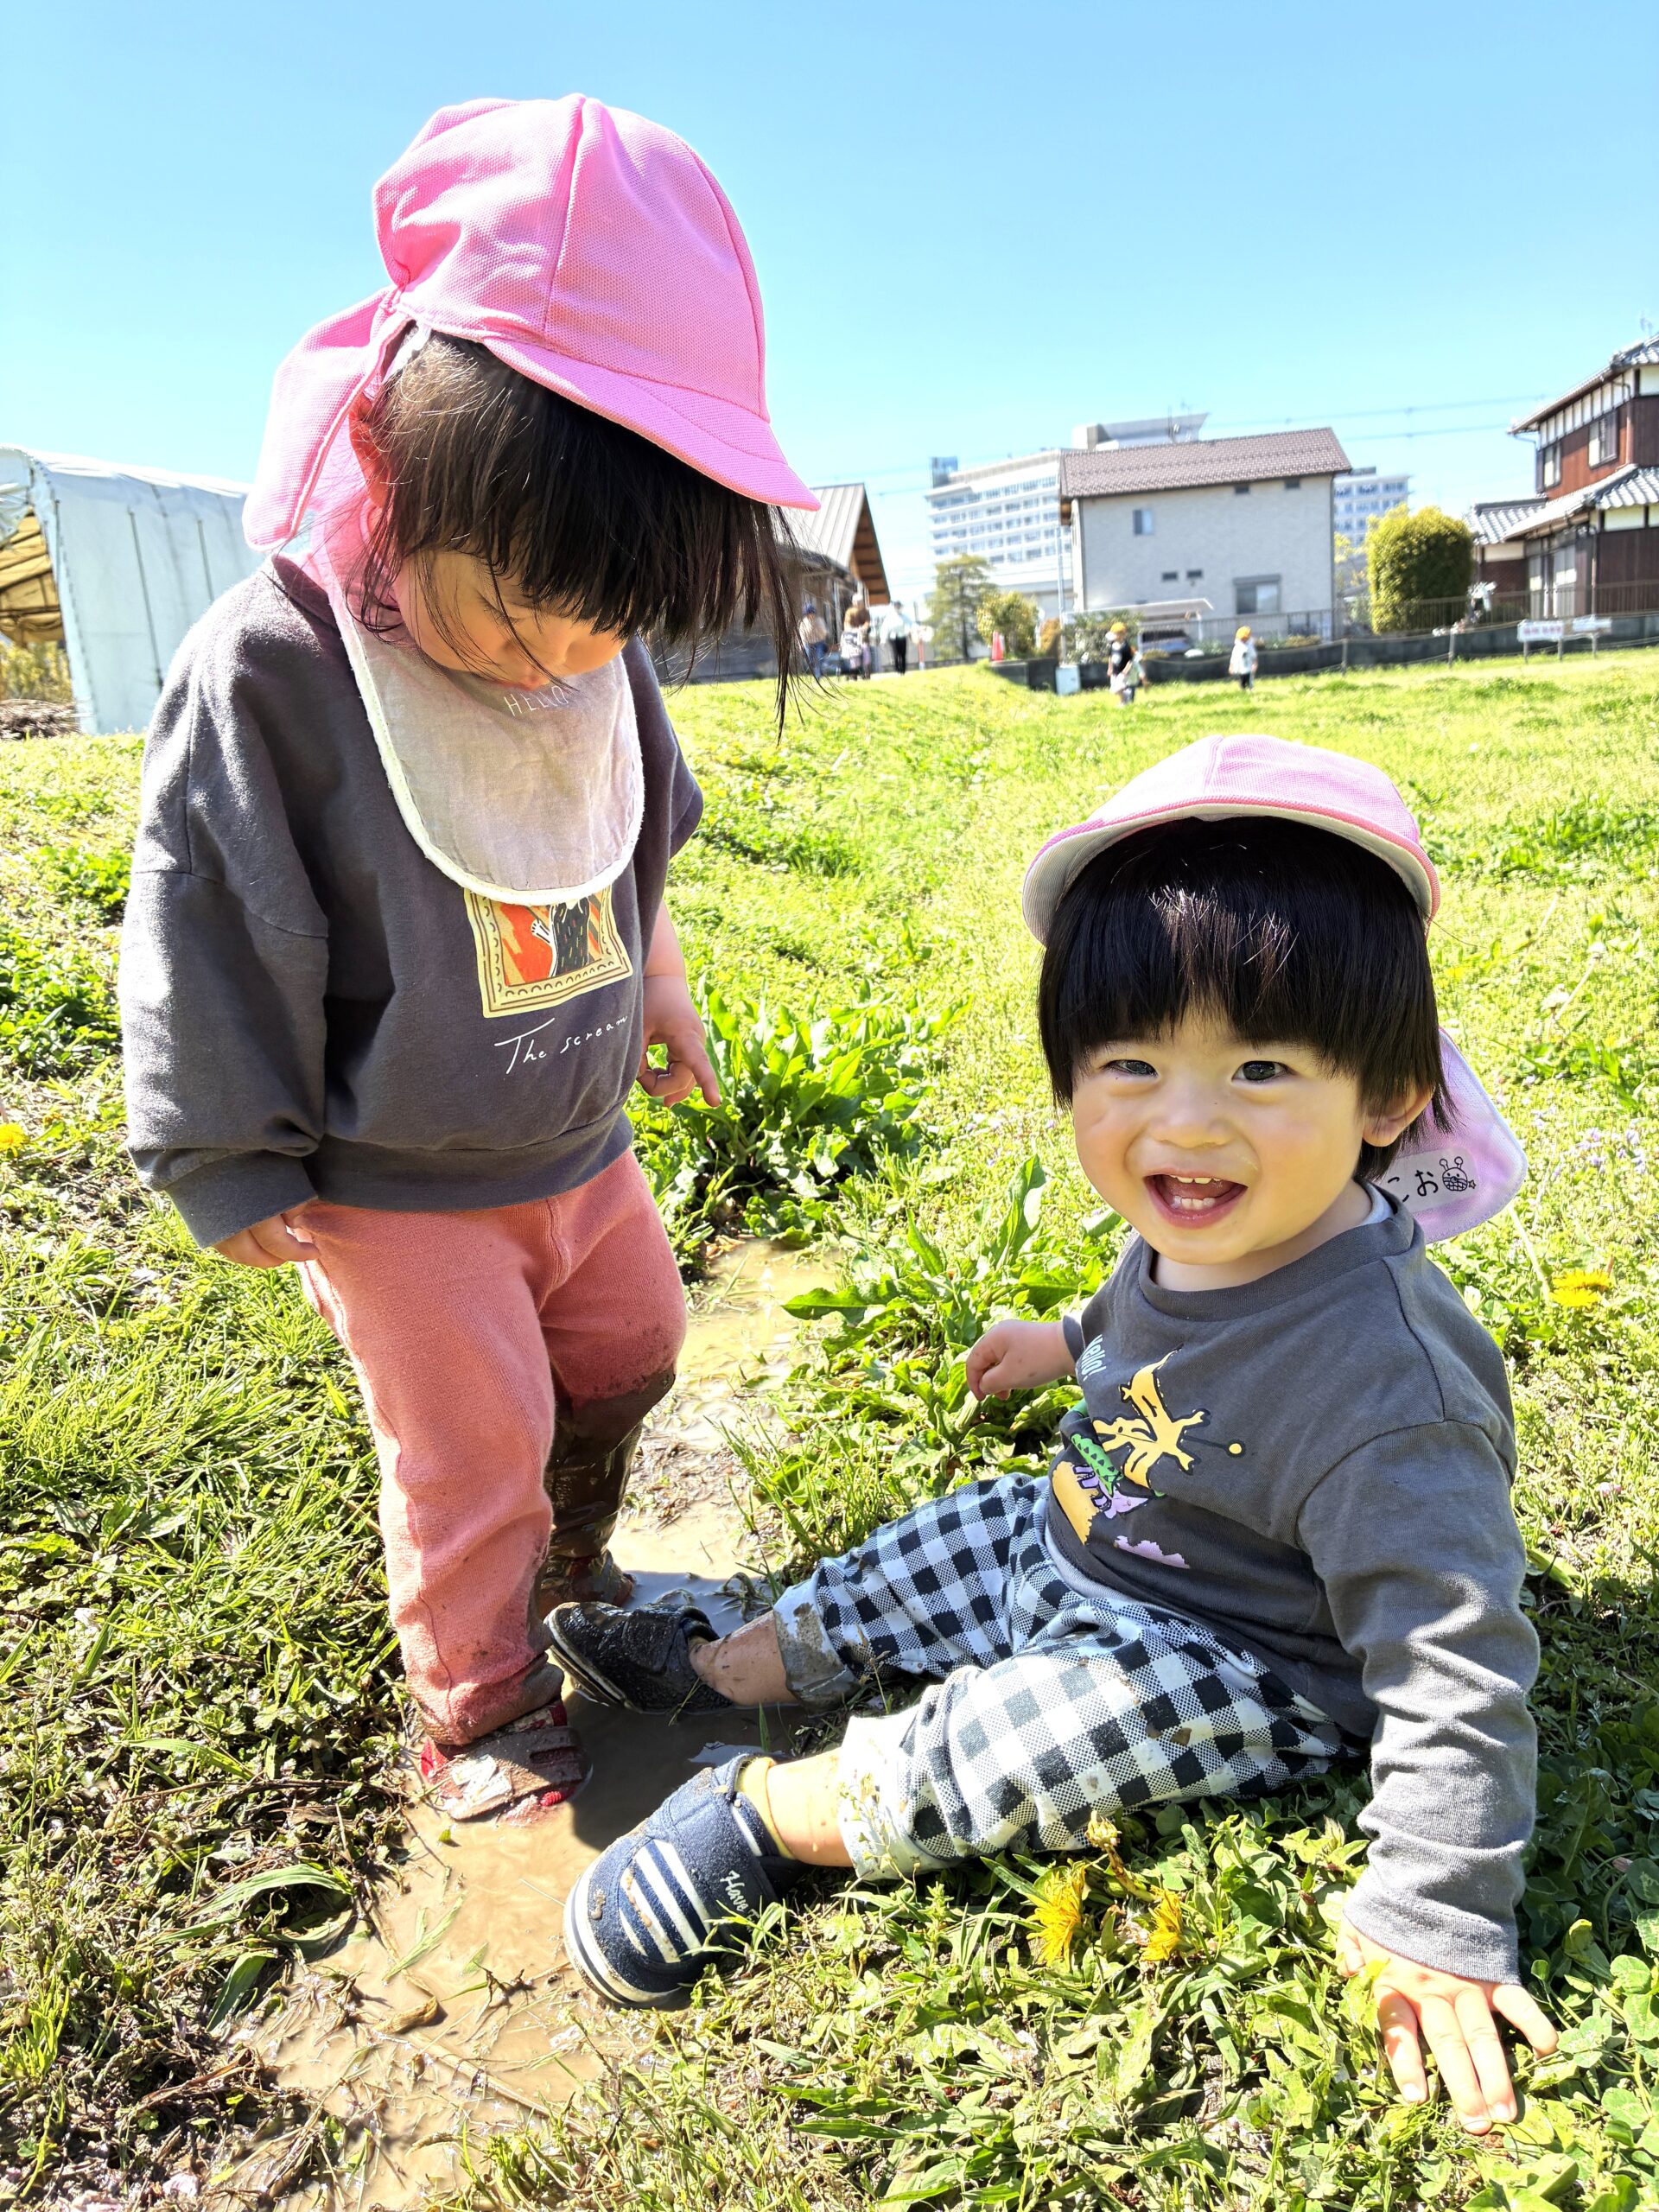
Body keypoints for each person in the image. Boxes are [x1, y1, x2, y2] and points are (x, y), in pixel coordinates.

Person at [548, 734, 1558, 2138]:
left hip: (1231, 1658)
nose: (1185, 1123)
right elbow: (1149, 1307)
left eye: (1262, 1067)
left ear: (1389, 1095)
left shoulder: (1392, 1385)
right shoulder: (1213, 1220)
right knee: (927, 1551)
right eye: (1131, 1061)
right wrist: (1065, 1343)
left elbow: (1459, 1659)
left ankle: (769, 1815)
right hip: (1082, 1531)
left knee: (1013, 1743)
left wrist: (1439, 1909)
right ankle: (724, 1661)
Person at [117, 97, 818, 1827]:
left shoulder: (590, 651)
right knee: (469, 1451)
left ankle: (572, 1567)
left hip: (580, 1143)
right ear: (392, 454)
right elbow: (206, 913)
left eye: (610, 618)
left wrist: (661, 985)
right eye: (510, 611)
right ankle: (478, 1697)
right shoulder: (277, 666)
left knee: (637, 1343)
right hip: (400, 1184)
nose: (556, 657)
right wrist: (226, 1150)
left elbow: (627, 846)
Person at [1106, 618, 1142, 706]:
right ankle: (1126, 696)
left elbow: (1130, 661)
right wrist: (1110, 668)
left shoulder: (1126, 647)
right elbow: (1110, 657)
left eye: (1115, 633)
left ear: (1122, 634)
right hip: (1114, 671)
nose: (1113, 635)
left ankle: (1122, 702)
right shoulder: (1112, 645)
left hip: (1123, 672)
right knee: (1114, 690)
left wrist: (1126, 671)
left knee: (1118, 688)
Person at [841, 597, 872, 678]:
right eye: (856, 602)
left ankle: (867, 673)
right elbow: (847, 623)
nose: (858, 604)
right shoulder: (849, 612)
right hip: (852, 637)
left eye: (860, 602)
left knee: (865, 651)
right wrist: (851, 629)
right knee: (853, 654)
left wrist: (864, 628)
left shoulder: (866, 612)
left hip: (863, 637)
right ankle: (853, 674)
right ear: (853, 603)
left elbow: (867, 622)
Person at [798, 600, 828, 678]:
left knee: (819, 657)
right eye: (808, 614)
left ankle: (818, 675)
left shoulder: (819, 621)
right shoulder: (803, 623)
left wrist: (817, 628)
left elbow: (824, 633)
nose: (810, 616)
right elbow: (801, 635)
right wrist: (801, 645)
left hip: (819, 643)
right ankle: (818, 671)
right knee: (809, 660)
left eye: (811, 613)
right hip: (808, 644)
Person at [884, 599, 913, 676]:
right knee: (896, 654)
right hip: (893, 637)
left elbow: (911, 624)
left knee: (903, 654)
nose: (898, 607)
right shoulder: (889, 617)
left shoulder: (904, 617)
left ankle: (903, 670)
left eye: (899, 606)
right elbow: (885, 628)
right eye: (896, 606)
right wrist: (883, 638)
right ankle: (897, 669)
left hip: (902, 637)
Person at [1230, 625, 1258, 691]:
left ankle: (1250, 688)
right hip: (1240, 668)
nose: (1243, 640)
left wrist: (1255, 664)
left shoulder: (1249, 647)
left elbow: (1254, 656)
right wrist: (1231, 666)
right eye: (1242, 638)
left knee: (1249, 680)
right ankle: (1243, 689)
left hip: (1249, 667)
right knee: (1242, 681)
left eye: (1245, 638)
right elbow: (1233, 657)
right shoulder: (1237, 647)